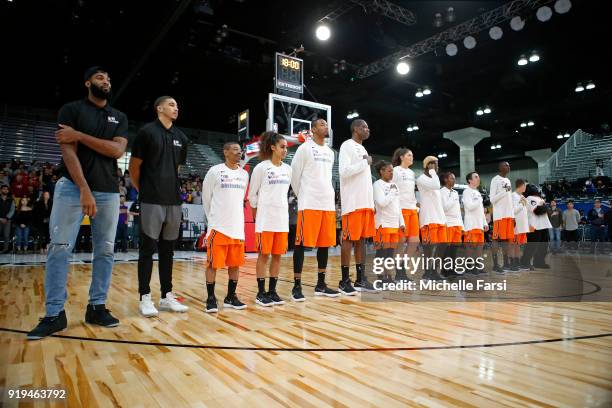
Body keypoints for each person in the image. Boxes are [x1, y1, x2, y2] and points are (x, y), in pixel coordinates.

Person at [28, 66, 128, 340]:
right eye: (100, 77)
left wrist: (80, 136)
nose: (105, 81)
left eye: (108, 78)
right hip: (71, 187)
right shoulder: (70, 110)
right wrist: (84, 188)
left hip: (108, 191)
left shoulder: (118, 117)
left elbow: (117, 150)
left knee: (105, 250)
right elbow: (68, 151)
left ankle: (97, 307)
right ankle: (54, 314)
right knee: (59, 248)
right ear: (88, 83)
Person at [129, 96, 189, 317]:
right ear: (159, 108)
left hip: (173, 200)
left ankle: (166, 296)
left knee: (168, 251)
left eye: (176, 104)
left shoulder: (181, 138)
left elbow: (178, 168)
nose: (176, 107)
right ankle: (145, 296)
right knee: (147, 249)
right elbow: (134, 168)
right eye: (172, 104)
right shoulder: (146, 133)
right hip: (151, 199)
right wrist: (145, 190)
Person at [290, 119, 339, 300]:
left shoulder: (330, 152)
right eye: (321, 124)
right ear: (312, 129)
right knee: (301, 244)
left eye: (326, 124)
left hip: (327, 203)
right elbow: (294, 175)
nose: (325, 126)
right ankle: (296, 286)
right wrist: (302, 194)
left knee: (324, 244)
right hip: (309, 202)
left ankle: (321, 284)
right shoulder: (304, 149)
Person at [202, 142, 249, 313]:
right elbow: (206, 198)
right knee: (212, 265)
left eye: (240, 150)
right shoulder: (215, 171)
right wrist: (212, 220)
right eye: (235, 150)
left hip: (237, 227)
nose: (239, 152)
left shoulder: (244, 174)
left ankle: (231, 297)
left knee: (235, 264)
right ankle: (211, 297)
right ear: (226, 152)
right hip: (218, 227)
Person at [247, 132, 292, 307]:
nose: (285, 150)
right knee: (263, 255)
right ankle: (260, 293)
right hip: (265, 220)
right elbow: (252, 195)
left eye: (286, 147)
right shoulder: (261, 168)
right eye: (282, 147)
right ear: (272, 147)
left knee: (278, 256)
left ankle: (272, 291)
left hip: (281, 219)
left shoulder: (288, 169)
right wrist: (258, 217)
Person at [339, 119, 377, 293]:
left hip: (365, 202)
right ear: (355, 129)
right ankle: (344, 280)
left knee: (361, 239)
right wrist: (365, 162)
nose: (367, 129)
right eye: (364, 127)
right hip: (353, 203)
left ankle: (360, 279)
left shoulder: (363, 148)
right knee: (348, 239)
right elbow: (344, 172)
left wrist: (371, 202)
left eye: (368, 127)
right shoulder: (347, 145)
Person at [372, 161, 405, 283]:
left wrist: (402, 222)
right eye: (389, 171)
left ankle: (388, 276)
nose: (392, 173)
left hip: (394, 224)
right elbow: (381, 203)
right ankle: (380, 278)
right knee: (381, 252)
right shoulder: (377, 185)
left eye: (393, 171)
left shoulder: (395, 185)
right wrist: (391, 192)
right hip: (383, 223)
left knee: (390, 253)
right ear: (382, 171)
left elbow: (398, 205)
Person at [416, 156, 447, 280]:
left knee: (443, 244)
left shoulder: (434, 179)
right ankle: (427, 272)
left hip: (439, 218)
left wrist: (444, 219)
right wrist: (432, 171)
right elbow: (436, 185)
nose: (437, 167)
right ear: (428, 165)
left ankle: (434, 270)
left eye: (437, 165)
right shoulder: (421, 179)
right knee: (429, 246)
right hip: (428, 218)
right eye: (435, 164)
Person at [391, 147, 419, 281]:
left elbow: (412, 192)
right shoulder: (395, 171)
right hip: (400, 210)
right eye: (409, 155)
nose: (411, 157)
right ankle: (399, 272)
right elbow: (391, 189)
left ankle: (402, 267)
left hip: (412, 209)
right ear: (401, 157)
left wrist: (416, 204)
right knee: (401, 242)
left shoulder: (412, 173)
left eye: (412, 155)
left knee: (414, 241)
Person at [489, 161, 515, 273]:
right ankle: (495, 264)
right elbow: (492, 199)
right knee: (496, 239)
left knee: (507, 240)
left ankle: (506, 262)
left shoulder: (508, 180)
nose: (508, 166)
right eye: (506, 165)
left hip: (509, 215)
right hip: (500, 216)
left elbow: (509, 200)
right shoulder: (495, 180)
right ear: (500, 168)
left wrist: (513, 216)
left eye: (509, 165)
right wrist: (503, 192)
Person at [462, 172, 488, 274]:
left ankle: (478, 266)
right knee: (470, 247)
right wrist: (479, 200)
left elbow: (481, 210)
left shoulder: (477, 192)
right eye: (476, 177)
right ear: (470, 180)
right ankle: (469, 267)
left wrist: (485, 222)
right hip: (471, 224)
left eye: (478, 176)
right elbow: (469, 206)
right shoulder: (466, 191)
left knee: (479, 247)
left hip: (479, 224)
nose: (478, 178)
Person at [521, 184, 551, 269]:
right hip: (534, 226)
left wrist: (544, 206)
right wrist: (544, 206)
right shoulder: (529, 199)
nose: (536, 188)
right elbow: (538, 211)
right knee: (532, 246)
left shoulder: (540, 199)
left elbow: (548, 212)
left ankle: (539, 262)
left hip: (544, 225)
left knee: (544, 246)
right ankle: (525, 261)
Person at [511, 179, 530, 271]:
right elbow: (513, 210)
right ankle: (513, 263)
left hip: (523, 225)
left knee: (518, 245)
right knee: (514, 245)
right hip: (516, 225)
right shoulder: (513, 196)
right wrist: (522, 204)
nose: (526, 187)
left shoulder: (522, 196)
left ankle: (518, 262)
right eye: (525, 185)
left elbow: (525, 211)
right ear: (521, 185)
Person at [0, 185, 15, 254]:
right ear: (1, 190)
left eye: (7, 189)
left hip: (7, 220)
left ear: (8, 191)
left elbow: (12, 210)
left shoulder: (11, 200)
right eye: (4, 189)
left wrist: (6, 218)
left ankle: (5, 249)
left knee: (6, 235)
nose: (5, 190)